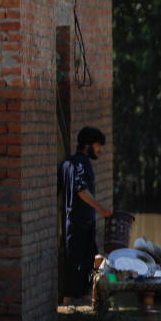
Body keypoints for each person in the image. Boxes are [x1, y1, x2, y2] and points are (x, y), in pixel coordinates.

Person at [59, 126, 112, 305]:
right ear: (88, 145)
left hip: (75, 223)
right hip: (79, 223)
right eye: (98, 145)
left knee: (87, 262)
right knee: (77, 265)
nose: (100, 150)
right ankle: (69, 304)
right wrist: (102, 209)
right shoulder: (82, 164)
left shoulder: (68, 163)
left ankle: (84, 299)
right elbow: (81, 190)